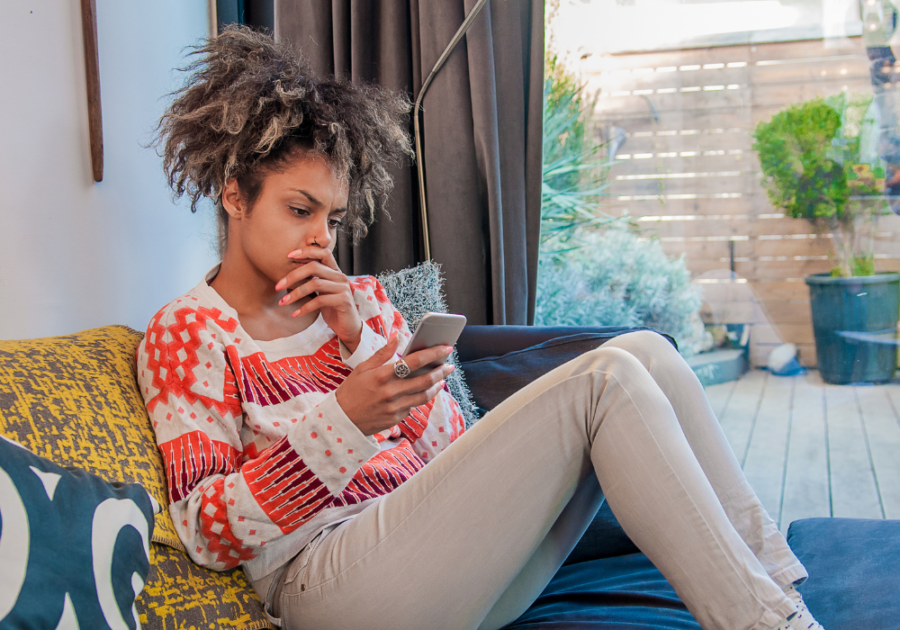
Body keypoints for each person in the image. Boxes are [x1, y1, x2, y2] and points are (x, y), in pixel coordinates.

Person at [138, 26, 825, 630]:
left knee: (643, 350)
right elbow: (206, 530)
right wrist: (346, 419)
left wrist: (358, 342)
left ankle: (789, 602)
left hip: (451, 565)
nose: (322, 238)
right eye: (299, 209)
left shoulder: (363, 306)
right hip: (328, 583)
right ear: (234, 193)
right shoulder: (189, 333)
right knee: (607, 379)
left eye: (335, 220)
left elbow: (449, 452)